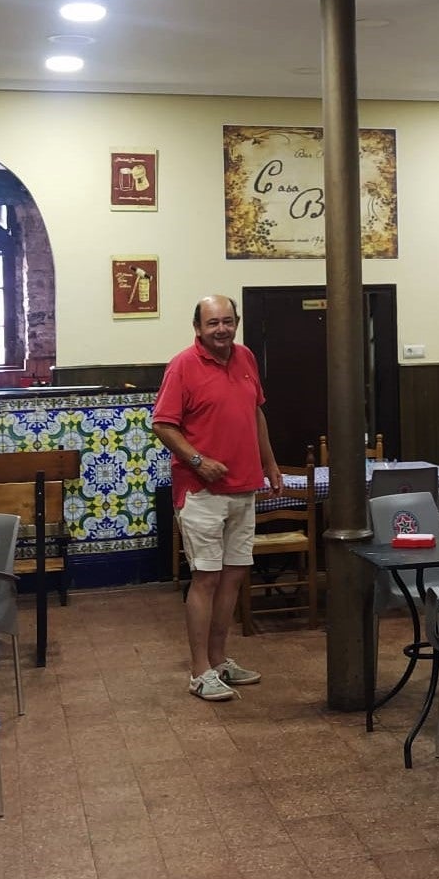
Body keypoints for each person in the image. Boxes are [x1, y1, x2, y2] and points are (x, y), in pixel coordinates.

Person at [153, 294, 282, 701]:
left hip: (244, 486)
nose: (222, 329)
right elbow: (163, 424)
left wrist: (270, 464)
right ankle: (199, 672)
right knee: (206, 578)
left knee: (233, 576)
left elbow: (256, 413)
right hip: (201, 491)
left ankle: (219, 660)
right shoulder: (183, 366)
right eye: (213, 323)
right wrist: (198, 460)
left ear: (236, 323)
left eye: (228, 321)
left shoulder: (246, 358)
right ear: (198, 328)